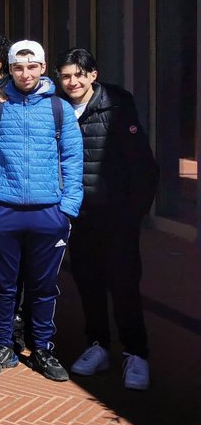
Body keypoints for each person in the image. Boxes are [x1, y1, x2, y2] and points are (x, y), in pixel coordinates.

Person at [0, 40, 83, 381]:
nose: (25, 74)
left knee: (44, 286)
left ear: (42, 66)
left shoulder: (59, 109)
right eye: (18, 68)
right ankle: (3, 344)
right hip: (2, 210)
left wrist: (68, 208)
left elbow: (73, 159)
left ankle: (42, 348)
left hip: (49, 212)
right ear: (10, 69)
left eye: (32, 67)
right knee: (2, 284)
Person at [56, 48, 158, 390]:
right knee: (88, 284)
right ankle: (97, 345)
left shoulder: (116, 106)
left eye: (78, 75)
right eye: (66, 76)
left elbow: (143, 166)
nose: (72, 82)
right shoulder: (57, 109)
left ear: (92, 75)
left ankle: (136, 353)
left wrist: (133, 215)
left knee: (124, 285)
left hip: (116, 217)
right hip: (79, 216)